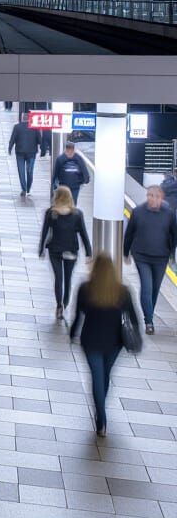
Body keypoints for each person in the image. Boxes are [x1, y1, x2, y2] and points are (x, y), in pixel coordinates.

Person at [70, 253, 140, 436]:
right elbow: (133, 319)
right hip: (114, 343)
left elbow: (78, 315)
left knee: (97, 377)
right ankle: (101, 412)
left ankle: (101, 419)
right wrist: (136, 337)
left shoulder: (85, 289)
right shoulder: (123, 291)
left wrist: (72, 334)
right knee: (105, 375)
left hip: (90, 340)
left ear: (95, 269)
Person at [123, 184, 177, 335]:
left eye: (157, 197)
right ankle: (149, 321)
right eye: (150, 196)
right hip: (141, 256)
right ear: (147, 196)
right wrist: (126, 252)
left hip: (161, 257)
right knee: (147, 287)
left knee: (155, 289)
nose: (153, 199)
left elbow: (174, 235)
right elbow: (129, 233)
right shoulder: (138, 212)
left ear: (162, 198)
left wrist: (171, 254)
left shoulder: (169, 214)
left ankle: (149, 314)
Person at [38, 186, 92, 320]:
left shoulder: (51, 213)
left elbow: (45, 231)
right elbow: (83, 234)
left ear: (56, 197)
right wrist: (88, 252)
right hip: (71, 250)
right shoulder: (77, 214)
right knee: (68, 278)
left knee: (58, 277)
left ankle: (59, 305)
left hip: (54, 249)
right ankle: (65, 302)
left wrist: (41, 248)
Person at [8, 117, 50, 199]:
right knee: (29, 171)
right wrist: (43, 149)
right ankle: (28, 188)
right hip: (31, 153)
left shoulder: (17, 127)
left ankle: (24, 189)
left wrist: (10, 148)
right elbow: (39, 140)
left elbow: (13, 138)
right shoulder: (35, 128)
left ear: (22, 118)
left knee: (21, 171)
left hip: (20, 152)